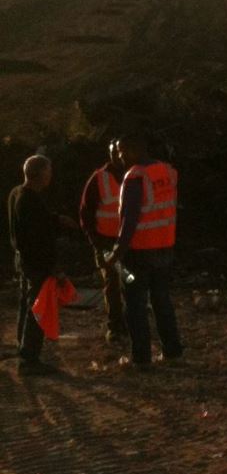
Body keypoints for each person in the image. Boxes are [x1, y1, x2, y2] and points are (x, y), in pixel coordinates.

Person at [109, 132, 183, 368]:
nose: (118, 156)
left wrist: (116, 253)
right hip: (164, 249)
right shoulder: (167, 171)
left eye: (121, 151)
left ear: (133, 149)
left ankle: (141, 358)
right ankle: (173, 352)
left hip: (138, 254)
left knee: (135, 305)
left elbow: (129, 220)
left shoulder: (135, 178)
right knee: (162, 301)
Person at [8, 154, 75, 373]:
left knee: (26, 305)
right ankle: (30, 359)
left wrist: (55, 220)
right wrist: (53, 267)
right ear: (41, 174)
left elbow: (32, 224)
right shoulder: (31, 200)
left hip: (23, 259)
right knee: (37, 309)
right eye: (48, 171)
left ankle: (23, 347)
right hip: (37, 262)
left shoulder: (16, 194)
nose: (51, 176)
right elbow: (38, 236)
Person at [79, 137, 129, 342]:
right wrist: (95, 241)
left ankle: (130, 323)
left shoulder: (134, 175)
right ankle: (116, 327)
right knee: (113, 285)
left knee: (131, 283)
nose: (117, 155)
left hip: (130, 241)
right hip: (106, 242)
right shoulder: (98, 178)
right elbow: (85, 212)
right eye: (113, 152)